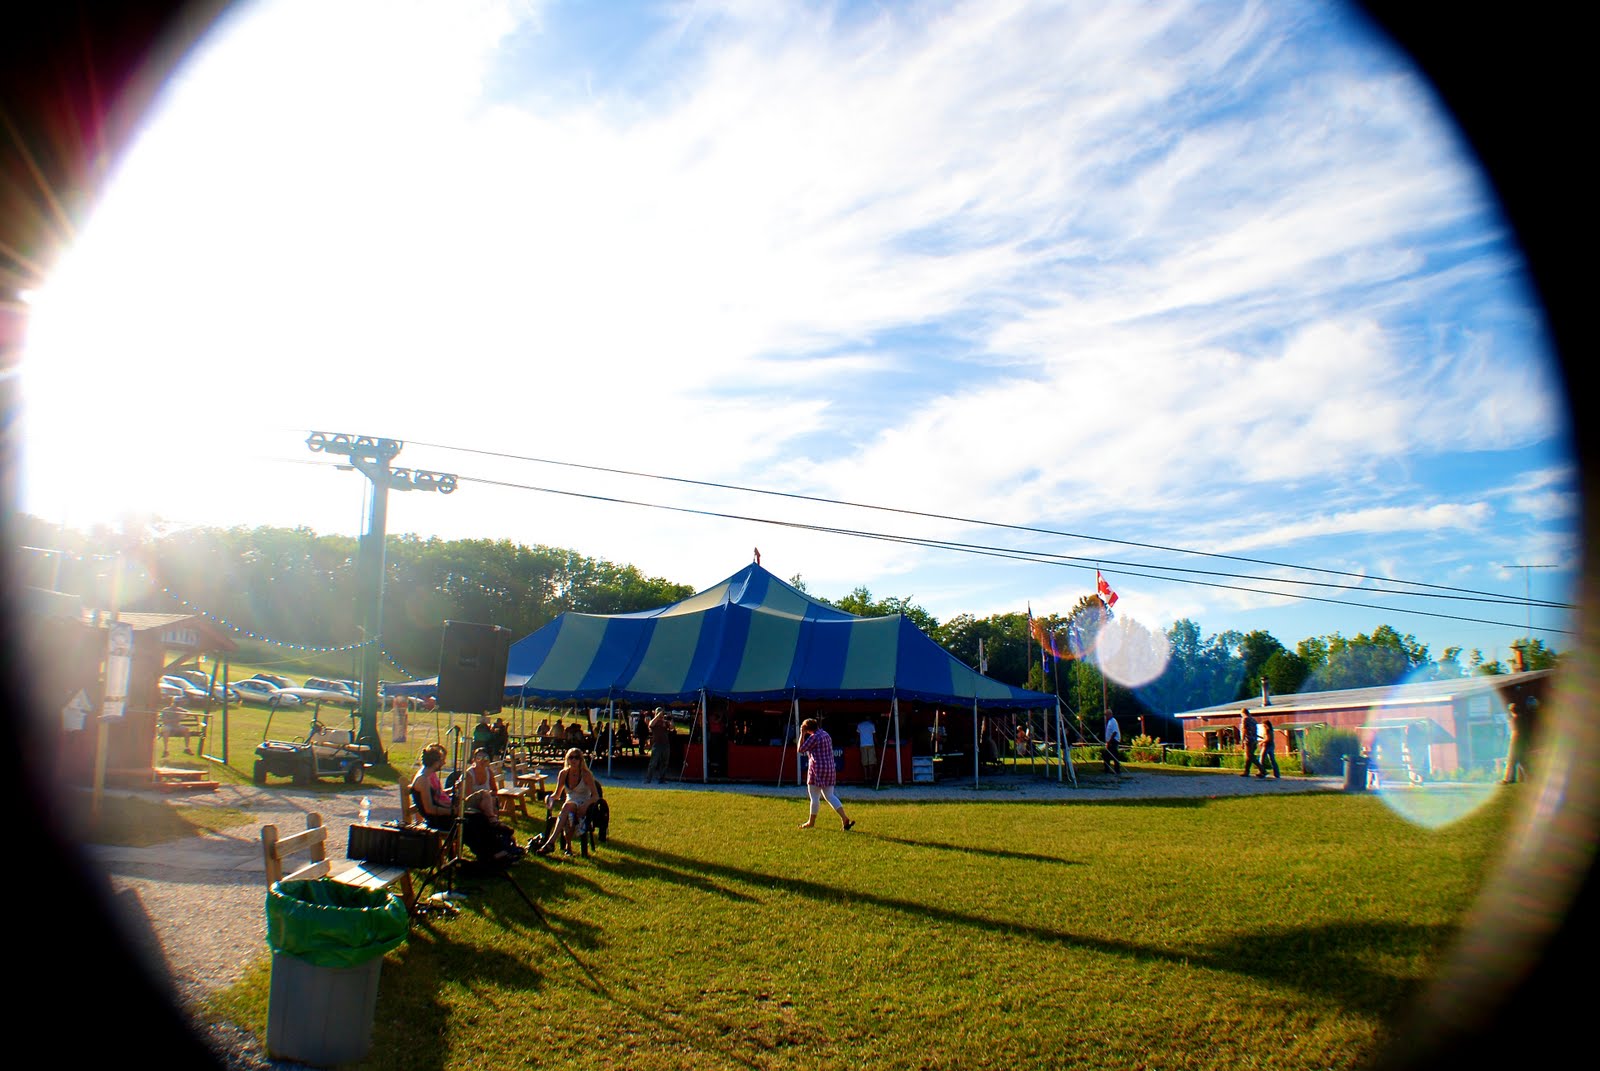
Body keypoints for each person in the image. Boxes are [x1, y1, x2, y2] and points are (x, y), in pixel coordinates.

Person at [536, 748, 599, 857]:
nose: (573, 760)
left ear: (581, 760)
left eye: (576, 757)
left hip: (583, 803)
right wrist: (549, 798)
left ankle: (552, 843)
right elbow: (557, 794)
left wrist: (586, 805)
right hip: (569, 803)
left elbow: (596, 796)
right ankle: (564, 846)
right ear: (567, 759)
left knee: (567, 808)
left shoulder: (586, 774)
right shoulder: (563, 773)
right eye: (571, 757)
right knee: (568, 811)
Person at [796, 718, 854, 831]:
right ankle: (844, 817)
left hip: (817, 769)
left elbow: (800, 749)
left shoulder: (814, 737)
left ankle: (811, 822)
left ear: (807, 729)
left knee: (814, 797)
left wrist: (802, 734)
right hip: (830, 768)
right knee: (830, 796)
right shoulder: (825, 734)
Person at [409, 743, 456, 832]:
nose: (443, 763)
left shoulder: (426, 775)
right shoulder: (423, 779)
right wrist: (452, 811)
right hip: (437, 821)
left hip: (440, 818)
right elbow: (429, 809)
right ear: (435, 762)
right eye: (441, 760)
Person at [645, 708, 673, 783]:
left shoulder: (665, 722)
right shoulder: (654, 722)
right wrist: (658, 716)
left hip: (665, 744)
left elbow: (672, 727)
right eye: (659, 713)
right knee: (653, 763)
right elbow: (650, 724)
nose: (661, 715)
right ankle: (648, 779)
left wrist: (671, 719)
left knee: (664, 762)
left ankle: (662, 779)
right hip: (656, 744)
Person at [1502, 702, 1526, 784]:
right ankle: (1531, 777)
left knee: (1511, 761)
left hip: (1515, 742)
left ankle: (1508, 779)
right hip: (1522, 743)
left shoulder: (1514, 720)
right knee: (1522, 762)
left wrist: (1512, 742)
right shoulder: (1522, 719)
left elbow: (1515, 732)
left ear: (1512, 711)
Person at [1239, 708, 1262, 777]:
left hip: (1248, 740)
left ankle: (1262, 769)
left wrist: (1242, 741)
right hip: (1254, 739)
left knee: (1250, 756)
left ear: (1243, 713)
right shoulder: (1253, 720)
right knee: (1248, 756)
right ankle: (1246, 771)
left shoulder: (1245, 719)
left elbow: (1244, 730)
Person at [857, 716, 879, 786]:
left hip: (863, 744)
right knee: (871, 763)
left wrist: (855, 743)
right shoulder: (872, 725)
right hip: (871, 744)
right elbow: (874, 736)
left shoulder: (859, 725)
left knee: (865, 763)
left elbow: (857, 736)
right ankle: (871, 778)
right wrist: (878, 744)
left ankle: (866, 778)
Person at [1102, 711, 1123, 776]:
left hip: (1113, 741)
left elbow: (1114, 732)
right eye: (1105, 715)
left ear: (1110, 714)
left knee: (1114, 755)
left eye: (1107, 715)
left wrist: (1109, 741)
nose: (1106, 716)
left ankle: (1116, 769)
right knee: (1107, 755)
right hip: (1110, 741)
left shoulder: (1113, 721)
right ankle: (1107, 768)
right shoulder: (1109, 722)